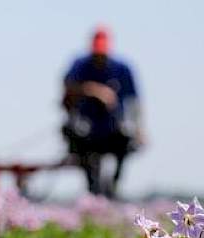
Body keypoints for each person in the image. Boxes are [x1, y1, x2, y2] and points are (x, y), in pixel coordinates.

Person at [62, 26, 144, 199]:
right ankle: (93, 190)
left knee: (125, 142)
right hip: (86, 128)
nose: (99, 57)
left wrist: (139, 130)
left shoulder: (122, 68)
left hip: (113, 127)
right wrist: (93, 90)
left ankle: (113, 185)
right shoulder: (80, 65)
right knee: (78, 142)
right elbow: (67, 87)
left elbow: (134, 101)